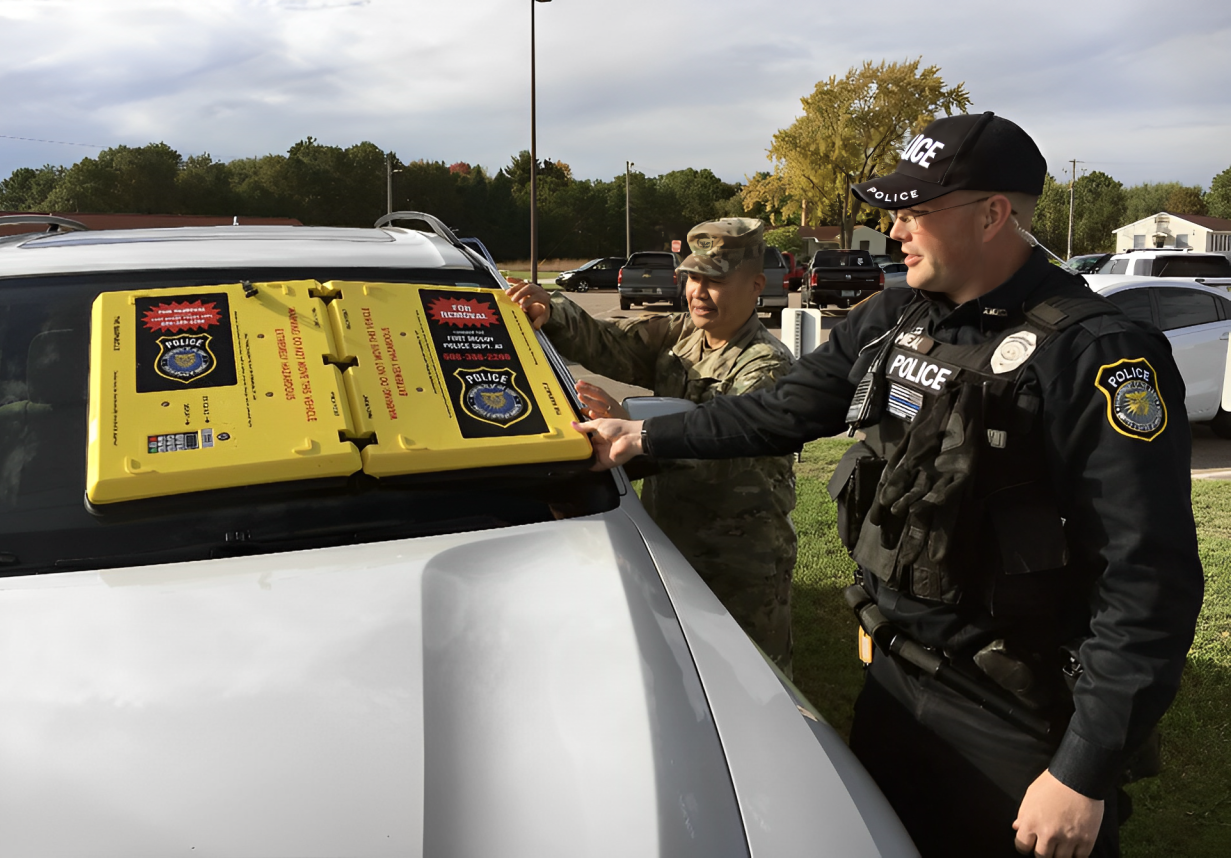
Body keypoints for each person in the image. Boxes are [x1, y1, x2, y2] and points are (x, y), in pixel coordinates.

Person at [570, 113, 1204, 857]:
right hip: (894, 677)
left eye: (914, 213)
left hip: (1011, 709)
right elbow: (783, 410)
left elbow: (1147, 581)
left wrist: (1084, 770)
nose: (895, 231)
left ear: (992, 214)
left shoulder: (1095, 353)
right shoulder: (896, 314)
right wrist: (643, 435)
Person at [505, 218, 799, 671]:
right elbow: (610, 342)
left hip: (740, 563)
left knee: (750, 683)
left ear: (756, 284)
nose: (698, 291)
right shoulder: (682, 334)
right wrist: (551, 308)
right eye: (693, 277)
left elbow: (729, 447)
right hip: (672, 542)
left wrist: (635, 430)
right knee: (682, 674)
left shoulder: (767, 365)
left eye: (715, 280)